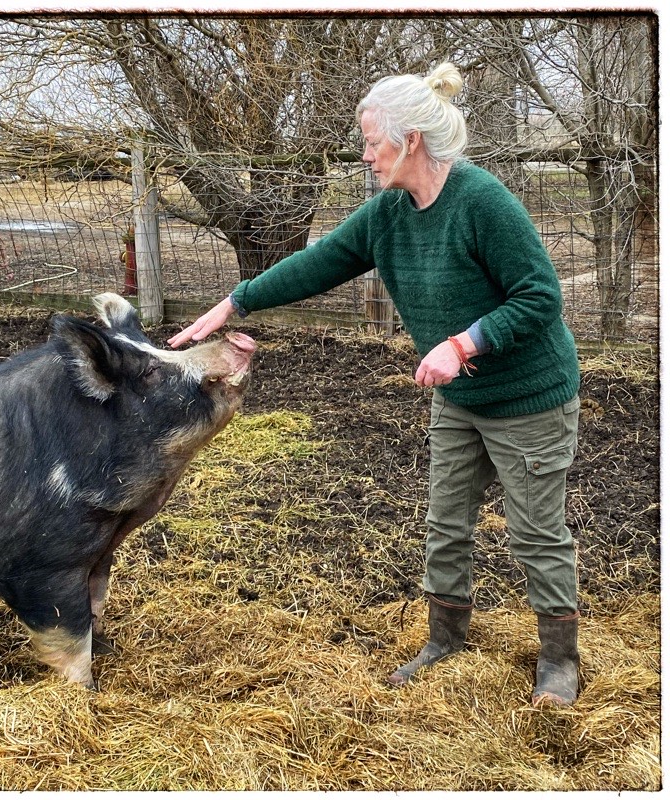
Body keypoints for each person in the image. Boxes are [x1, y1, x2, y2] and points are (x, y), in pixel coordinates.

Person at [168, 62, 582, 708]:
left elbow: (540, 298)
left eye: (371, 142)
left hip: (529, 398)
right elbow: (321, 261)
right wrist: (235, 302)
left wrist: (463, 342)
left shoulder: (481, 202)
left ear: (409, 140)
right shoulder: (389, 213)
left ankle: (559, 661)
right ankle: (445, 640)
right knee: (445, 523)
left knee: (534, 532)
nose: (365, 155)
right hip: (462, 399)